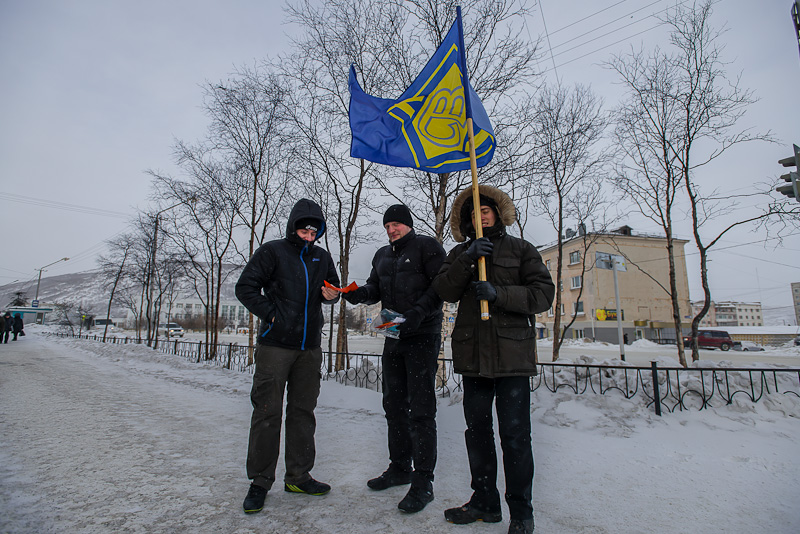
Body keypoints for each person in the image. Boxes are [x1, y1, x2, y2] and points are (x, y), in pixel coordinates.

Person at [432, 186, 555, 534]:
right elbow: (444, 290)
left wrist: (499, 294)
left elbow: (543, 294)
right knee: (478, 434)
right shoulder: (459, 253)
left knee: (515, 437)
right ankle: (485, 502)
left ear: (498, 214)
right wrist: (468, 258)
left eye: (485, 211)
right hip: (474, 359)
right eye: (474, 213)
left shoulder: (521, 250)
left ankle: (522, 513)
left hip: (512, 358)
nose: (480, 217)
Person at [235, 198, 341, 515]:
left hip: (309, 348)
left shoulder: (322, 257)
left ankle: (298, 476)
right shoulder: (273, 251)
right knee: (267, 412)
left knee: (302, 413)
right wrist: (272, 315)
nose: (308, 235)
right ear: (293, 227)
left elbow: (332, 288)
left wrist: (331, 295)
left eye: (314, 231)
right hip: (275, 346)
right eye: (304, 230)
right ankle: (260, 482)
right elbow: (245, 287)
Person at [344, 204, 446, 513]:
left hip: (423, 335)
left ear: (408, 224)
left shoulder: (427, 247)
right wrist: (357, 294)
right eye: (387, 226)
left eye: (396, 224)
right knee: (394, 404)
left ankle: (423, 481)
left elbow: (440, 287)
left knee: (421, 409)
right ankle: (400, 467)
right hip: (394, 334)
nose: (391, 230)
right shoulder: (382, 255)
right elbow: (375, 288)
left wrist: (417, 313)